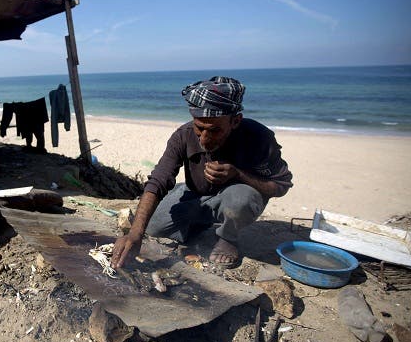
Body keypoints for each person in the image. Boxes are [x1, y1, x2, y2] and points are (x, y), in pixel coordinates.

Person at [111, 76, 293, 270]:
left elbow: (280, 186)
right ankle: (201, 221)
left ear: (235, 121)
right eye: (200, 128)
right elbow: (158, 179)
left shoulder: (258, 138)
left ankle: (228, 237)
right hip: (196, 194)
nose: (204, 139)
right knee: (155, 226)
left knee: (241, 199)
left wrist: (237, 174)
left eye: (214, 130)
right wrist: (135, 234)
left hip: (236, 197)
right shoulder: (183, 135)